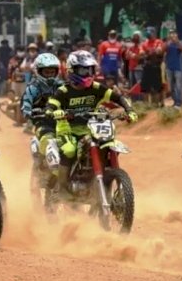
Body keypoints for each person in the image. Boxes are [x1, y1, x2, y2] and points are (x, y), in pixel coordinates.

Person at [46, 51, 138, 200]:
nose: (88, 73)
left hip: (91, 128)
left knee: (105, 144)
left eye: (90, 70)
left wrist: (130, 110)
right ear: (72, 70)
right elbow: (51, 106)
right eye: (83, 70)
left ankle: (104, 180)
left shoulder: (96, 88)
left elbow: (118, 97)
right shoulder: (64, 91)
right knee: (69, 150)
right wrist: (54, 112)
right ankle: (62, 188)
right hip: (68, 130)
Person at [21, 53, 64, 180]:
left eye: (52, 72)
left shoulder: (62, 86)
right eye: (47, 72)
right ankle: (40, 164)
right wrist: (27, 111)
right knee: (46, 140)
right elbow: (26, 102)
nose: (50, 75)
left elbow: (71, 98)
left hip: (62, 122)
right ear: (39, 72)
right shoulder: (33, 88)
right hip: (42, 122)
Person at [164, 29, 182, 107]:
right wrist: (168, 41)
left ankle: (179, 102)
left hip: (178, 67)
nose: (173, 36)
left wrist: (177, 42)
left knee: (178, 85)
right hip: (169, 67)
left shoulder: (179, 43)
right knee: (171, 86)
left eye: (174, 34)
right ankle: (175, 101)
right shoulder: (168, 43)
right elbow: (162, 50)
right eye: (171, 34)